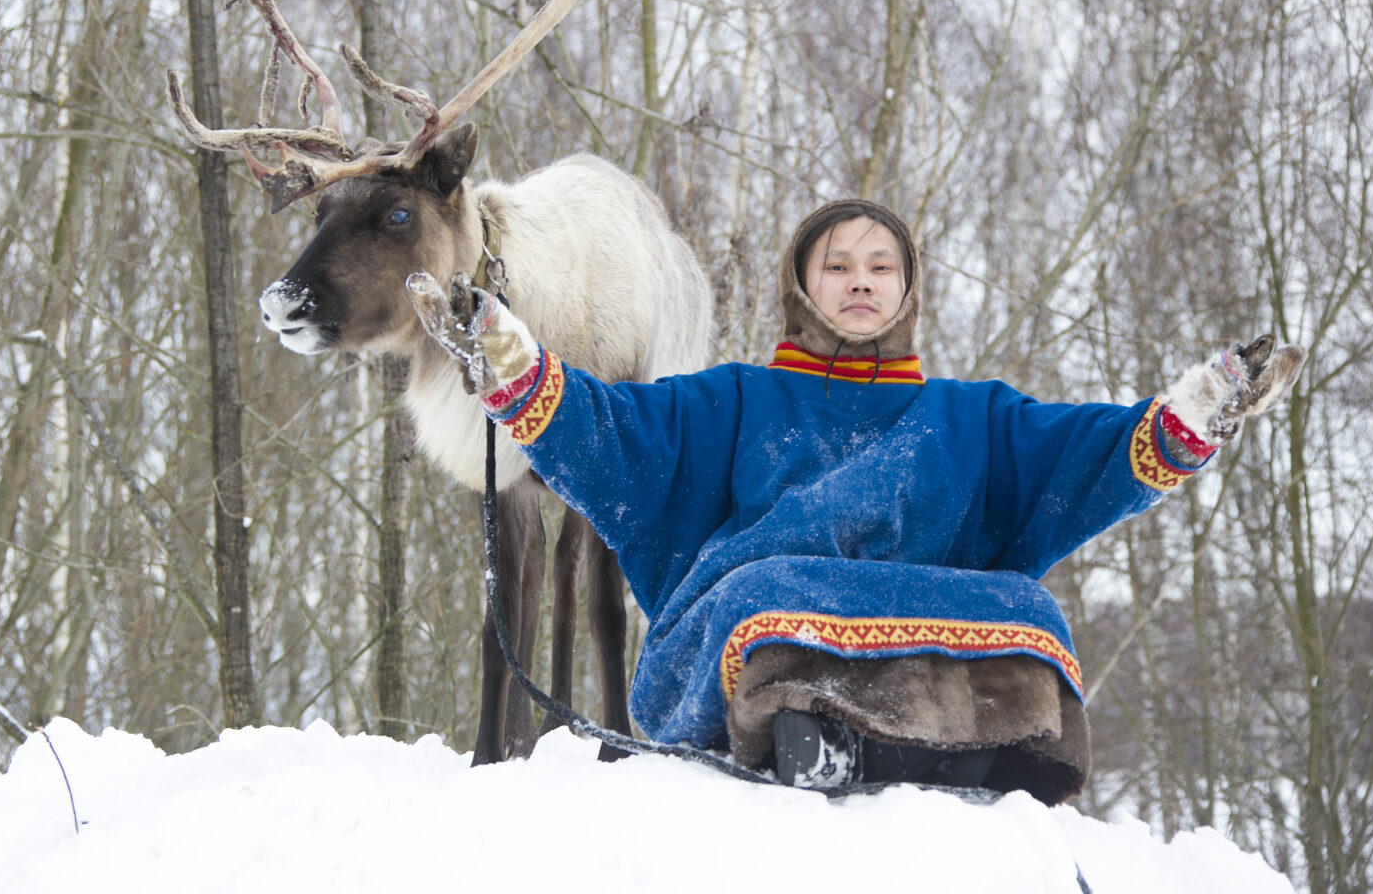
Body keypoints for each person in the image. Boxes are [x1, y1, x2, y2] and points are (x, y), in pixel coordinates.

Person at [405, 199, 1305, 804]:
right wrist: (518, 368)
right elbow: (614, 431)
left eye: (881, 265)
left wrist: (1189, 414)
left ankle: (992, 750)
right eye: (838, 265)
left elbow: (1093, 453)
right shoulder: (732, 398)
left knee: (1029, 607)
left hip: (924, 626)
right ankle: (815, 736)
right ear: (804, 284)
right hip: (756, 624)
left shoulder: (973, 415)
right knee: (774, 594)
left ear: (908, 287)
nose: (862, 280)